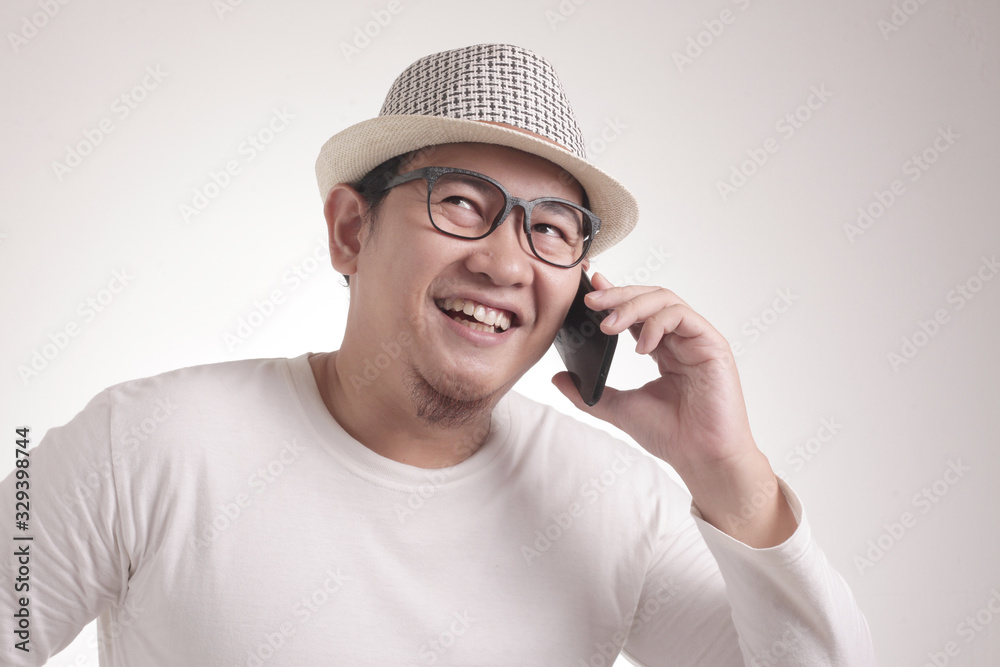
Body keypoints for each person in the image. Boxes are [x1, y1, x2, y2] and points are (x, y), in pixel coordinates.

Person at [1, 44, 875, 666]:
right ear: (351, 229)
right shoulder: (142, 440)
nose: (503, 261)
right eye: (460, 202)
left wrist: (729, 471)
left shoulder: (616, 503)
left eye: (552, 230)